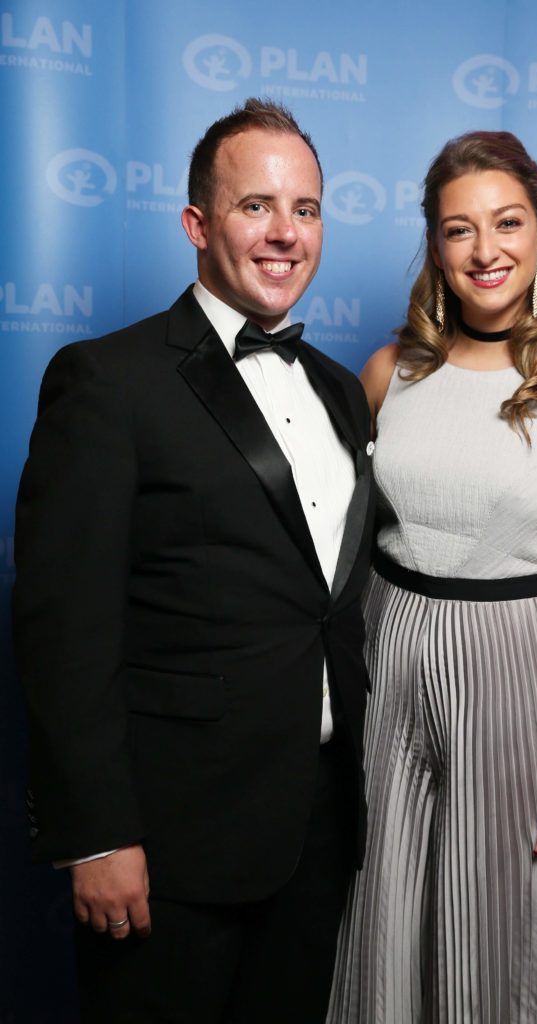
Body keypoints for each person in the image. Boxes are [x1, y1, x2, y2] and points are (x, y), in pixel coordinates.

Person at [13, 98, 375, 1024]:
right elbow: (65, 629)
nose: (285, 234)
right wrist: (96, 836)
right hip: (170, 844)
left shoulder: (340, 391)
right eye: (256, 206)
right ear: (196, 224)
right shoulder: (108, 381)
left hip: (319, 829)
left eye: (306, 209)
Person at [327, 131, 537, 1023]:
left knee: (500, 933)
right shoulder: (389, 374)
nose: (485, 251)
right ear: (434, 244)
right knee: (379, 910)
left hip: (517, 665)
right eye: (458, 230)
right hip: (389, 656)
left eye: (507, 223)